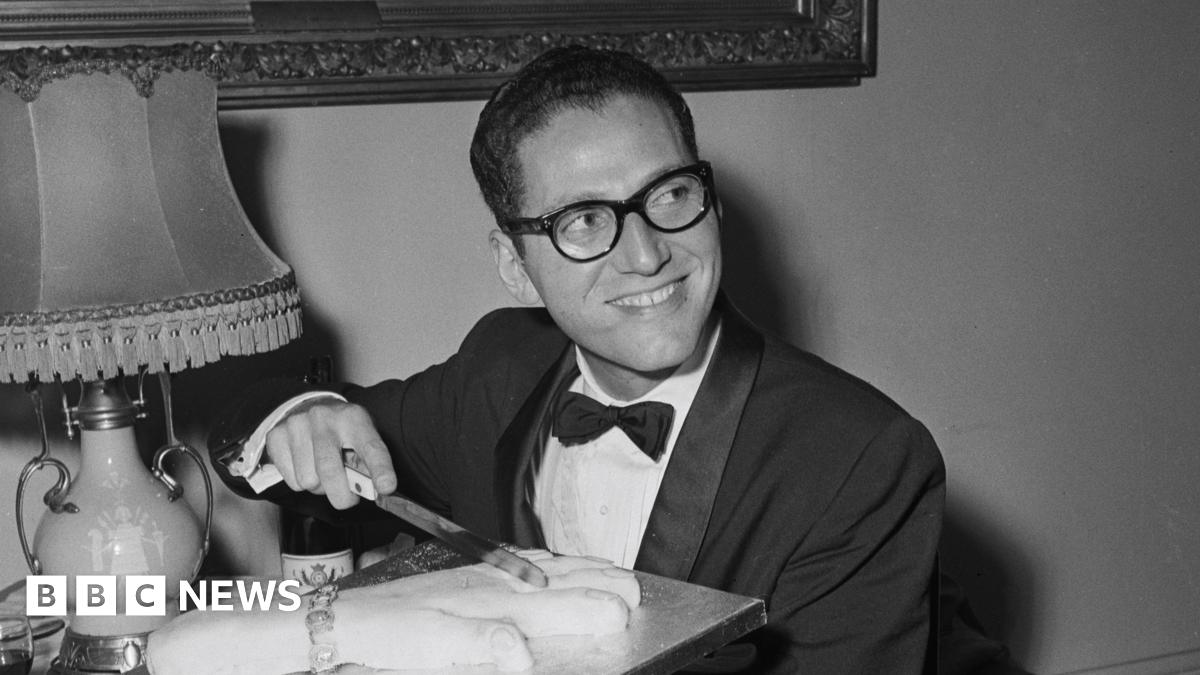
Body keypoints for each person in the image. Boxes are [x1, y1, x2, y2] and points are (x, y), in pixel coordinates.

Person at [212, 46, 946, 673]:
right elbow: (291, 446)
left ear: (711, 202)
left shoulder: (860, 459)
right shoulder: (497, 370)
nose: (649, 253)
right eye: (585, 220)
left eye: (672, 193)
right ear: (516, 266)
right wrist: (299, 414)